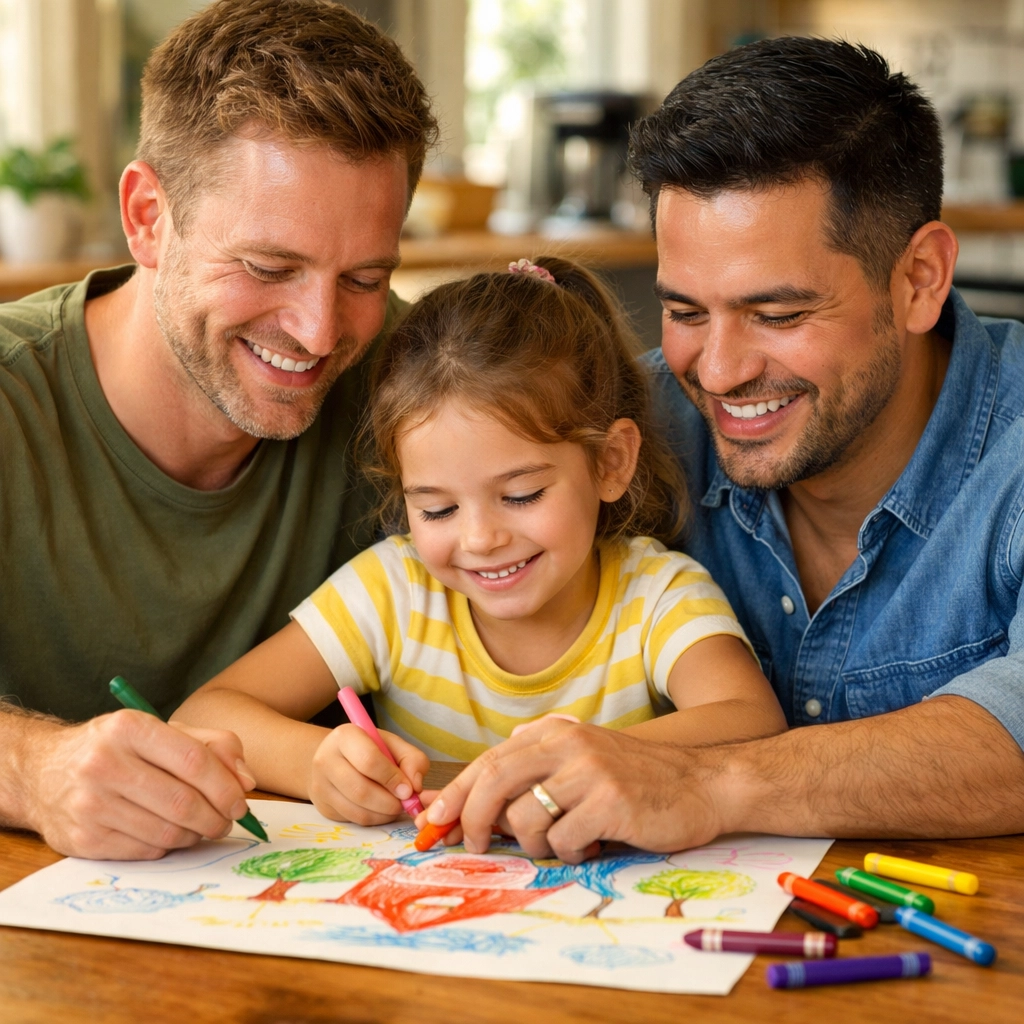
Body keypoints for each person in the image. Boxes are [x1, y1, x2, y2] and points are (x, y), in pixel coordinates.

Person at [416, 37, 1024, 862]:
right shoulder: (617, 432)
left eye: (777, 315)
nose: (720, 372)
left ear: (919, 277)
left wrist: (708, 782)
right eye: (687, 312)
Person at [0, 0, 436, 859]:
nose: (318, 333)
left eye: (365, 277)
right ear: (147, 218)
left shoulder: (416, 381)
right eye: (269, 267)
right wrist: (31, 768)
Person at [173, 257, 786, 826]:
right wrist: (315, 761)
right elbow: (204, 714)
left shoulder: (656, 595)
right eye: (436, 508)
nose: (482, 539)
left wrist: (597, 754)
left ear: (611, 462)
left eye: (521, 496)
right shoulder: (396, 590)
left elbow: (754, 725)